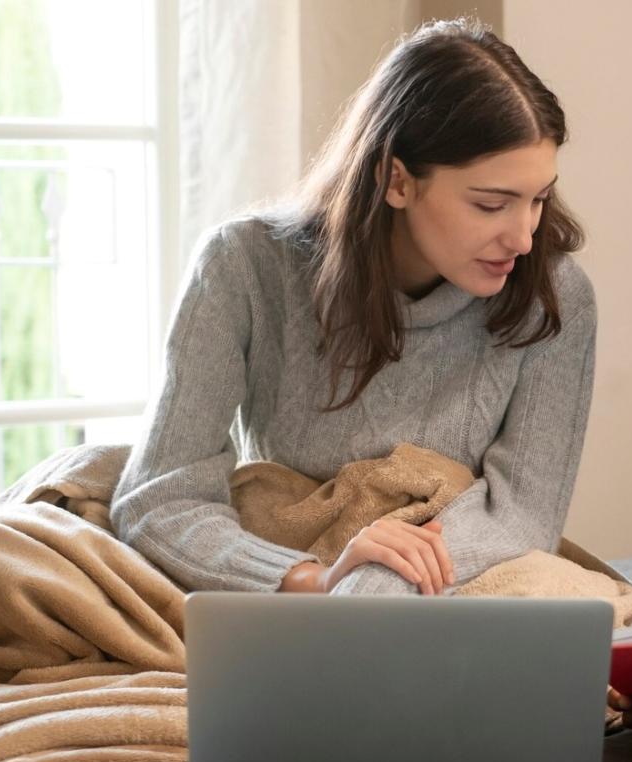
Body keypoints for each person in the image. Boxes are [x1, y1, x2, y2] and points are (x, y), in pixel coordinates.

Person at [113, 19, 595, 599]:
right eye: (492, 205)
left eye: (539, 199)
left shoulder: (555, 295)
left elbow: (521, 516)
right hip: (283, 577)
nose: (523, 237)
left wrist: (375, 584)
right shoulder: (242, 264)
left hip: (442, 582)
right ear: (396, 180)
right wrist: (315, 581)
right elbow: (159, 497)